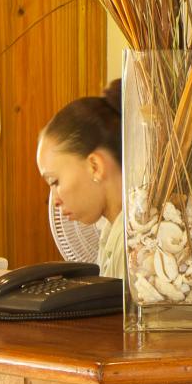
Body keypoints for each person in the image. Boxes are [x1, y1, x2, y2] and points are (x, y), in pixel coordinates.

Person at [37, 81, 125, 277]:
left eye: (55, 182)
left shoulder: (133, 248)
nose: (55, 201)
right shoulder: (111, 235)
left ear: (95, 166)